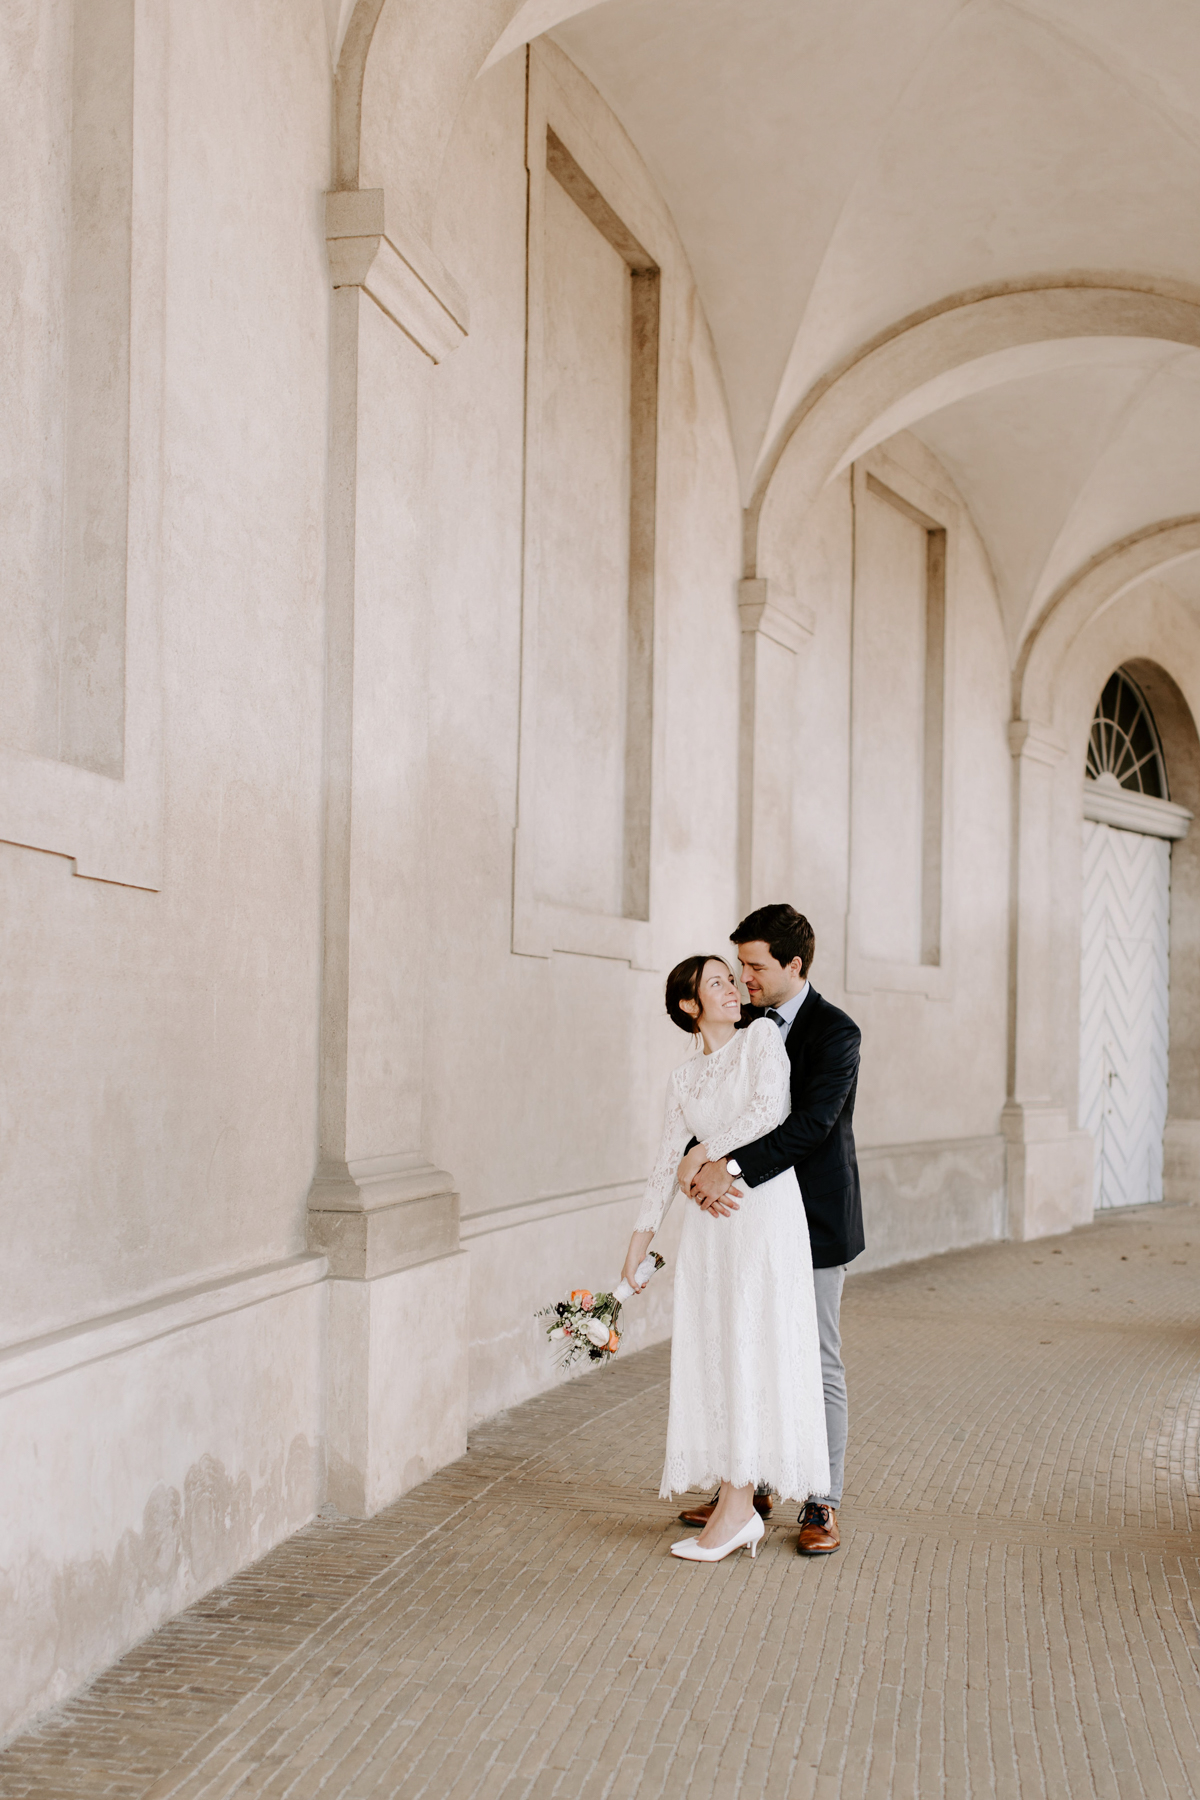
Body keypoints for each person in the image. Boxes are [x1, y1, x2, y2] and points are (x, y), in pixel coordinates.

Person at [621, 954, 829, 1563]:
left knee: (752, 1346)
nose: (734, 988)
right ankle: (735, 1507)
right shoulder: (683, 1081)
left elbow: (770, 1111)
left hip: (760, 1216)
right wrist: (639, 1240)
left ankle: (739, 1511)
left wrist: (704, 1158)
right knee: (722, 1353)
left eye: (732, 979)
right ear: (690, 1005)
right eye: (718, 982)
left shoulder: (762, 1038)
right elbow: (664, 1164)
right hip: (711, 1232)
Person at [676, 903, 862, 1556]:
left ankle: (822, 1500)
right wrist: (689, 1159)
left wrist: (726, 1166)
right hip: (745, 1224)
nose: (743, 978)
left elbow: (809, 1127)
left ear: (794, 965)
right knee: (745, 1348)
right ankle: (744, 1491)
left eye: (754, 966)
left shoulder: (836, 1033)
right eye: (739, 967)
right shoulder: (740, 1021)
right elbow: (715, 1104)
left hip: (812, 1220)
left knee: (816, 1358)